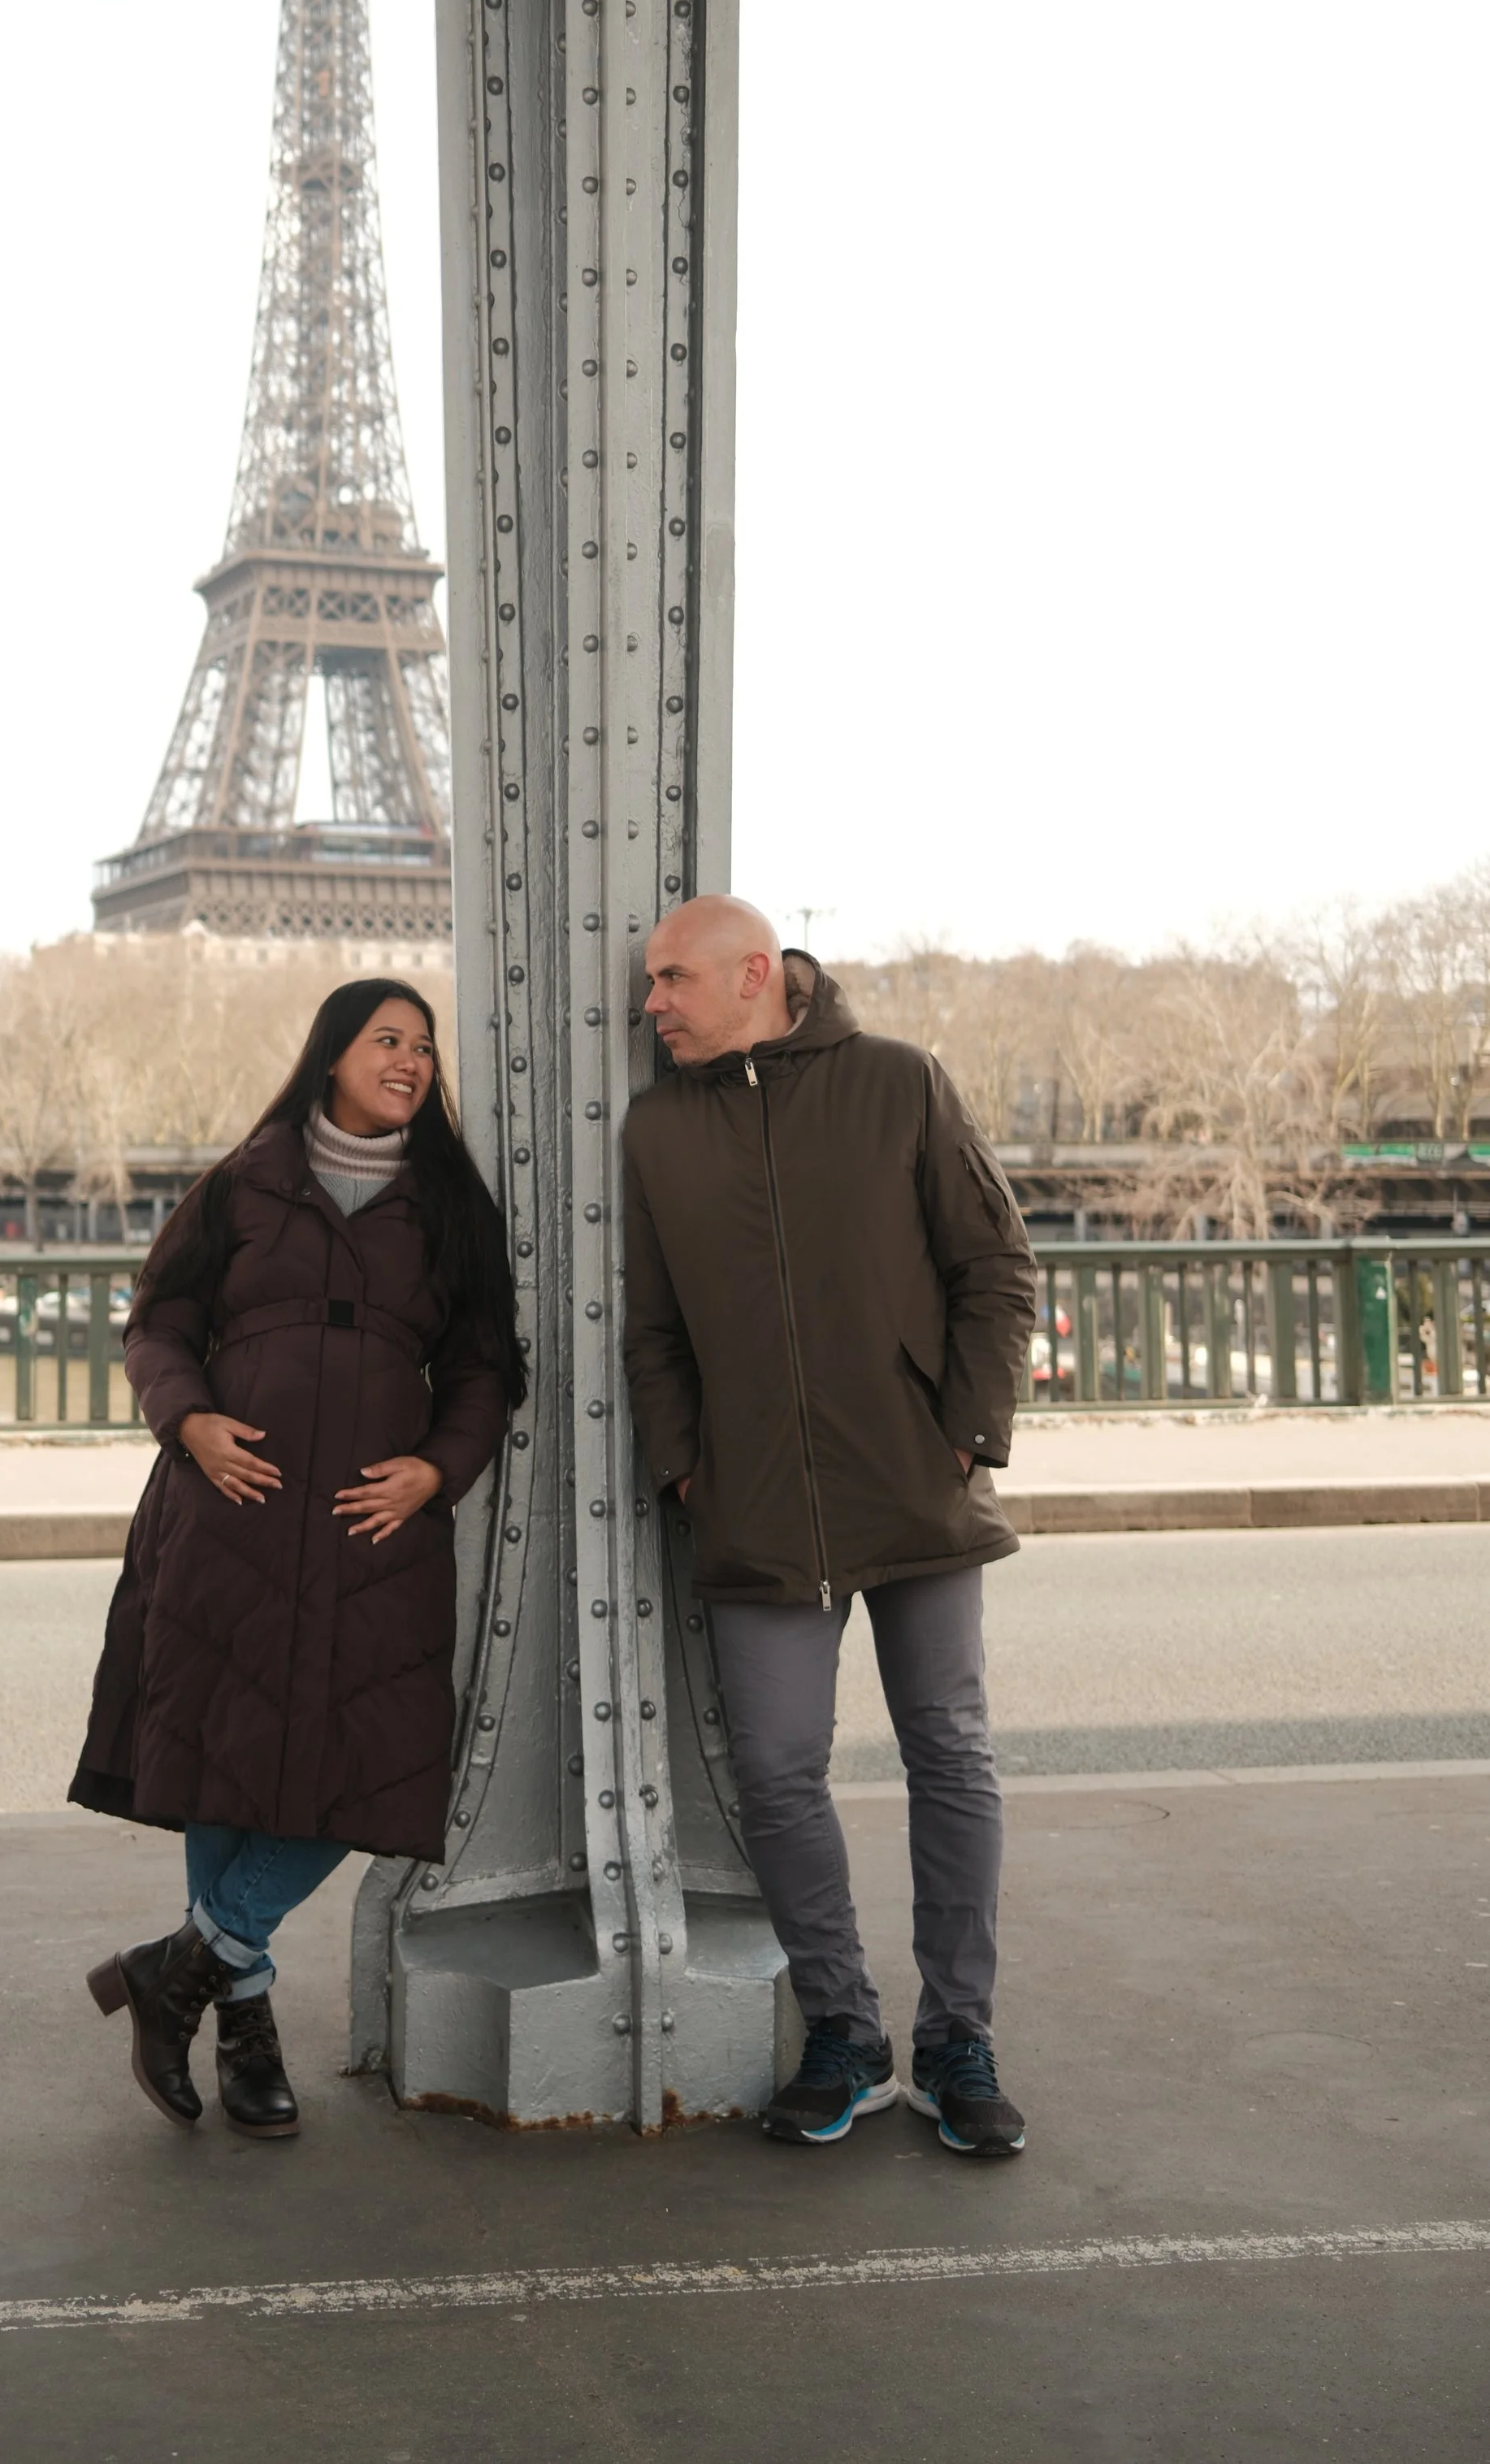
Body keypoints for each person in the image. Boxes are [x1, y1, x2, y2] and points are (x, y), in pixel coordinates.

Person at [622, 897, 1038, 2159]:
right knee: (781, 1773)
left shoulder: (901, 1084)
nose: (654, 1003)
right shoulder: (655, 1128)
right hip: (752, 1508)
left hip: (913, 1489)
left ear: (754, 973)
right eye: (650, 983)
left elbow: (996, 1265)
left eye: (673, 979)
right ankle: (846, 2031)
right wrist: (691, 1468)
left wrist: (963, 1433)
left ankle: (958, 2036)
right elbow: (652, 1331)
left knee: (950, 1756)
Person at [70, 978, 520, 2140]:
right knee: (229, 1755)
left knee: (368, 1761)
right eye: (388, 1039)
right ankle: (246, 2021)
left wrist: (439, 1469)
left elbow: (485, 1368)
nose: (412, 1060)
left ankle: (190, 1963)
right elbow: (159, 1322)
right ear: (332, 1055)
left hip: (373, 1525)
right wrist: (190, 1420)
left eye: (424, 1046)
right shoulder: (242, 1183)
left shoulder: (453, 1206)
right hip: (231, 1510)